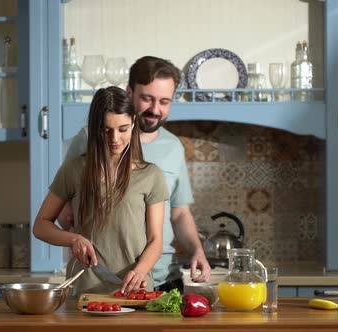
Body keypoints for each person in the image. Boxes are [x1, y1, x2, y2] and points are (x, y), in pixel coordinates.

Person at [64, 56, 211, 292]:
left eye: (165, 101)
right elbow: (65, 207)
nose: (155, 109)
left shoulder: (173, 147)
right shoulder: (88, 139)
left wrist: (197, 251)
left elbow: (180, 212)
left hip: (162, 277)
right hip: (102, 279)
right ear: (129, 92)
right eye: (147, 99)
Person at [33, 86, 168, 296]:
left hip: (135, 293)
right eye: (106, 130)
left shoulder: (151, 175)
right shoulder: (74, 169)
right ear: (94, 128)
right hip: (84, 292)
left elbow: (155, 240)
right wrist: (73, 239)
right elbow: (40, 226)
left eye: (122, 129)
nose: (114, 138)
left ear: (133, 122)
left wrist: (140, 271)